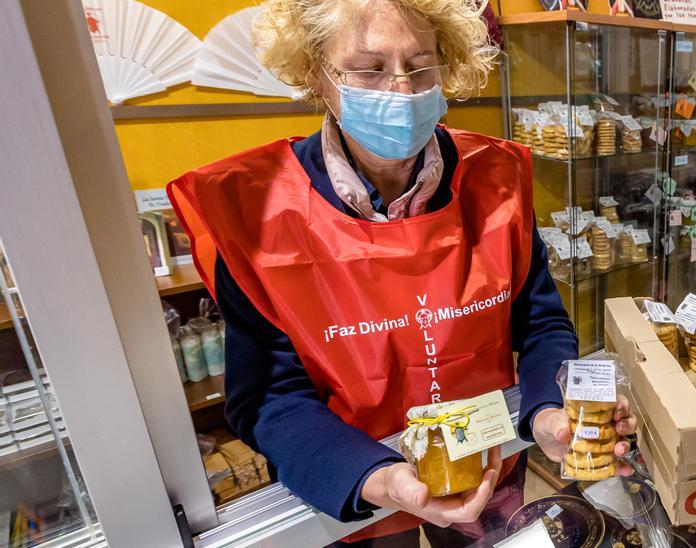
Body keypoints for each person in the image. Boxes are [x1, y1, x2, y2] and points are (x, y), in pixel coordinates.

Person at [166, 1, 636, 545]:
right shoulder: (257, 209)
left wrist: (549, 412)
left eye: (420, 65)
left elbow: (540, 322)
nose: (402, 90)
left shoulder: (495, 179)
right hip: (360, 482)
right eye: (369, 68)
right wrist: (380, 478)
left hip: (488, 463)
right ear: (317, 72)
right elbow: (268, 395)